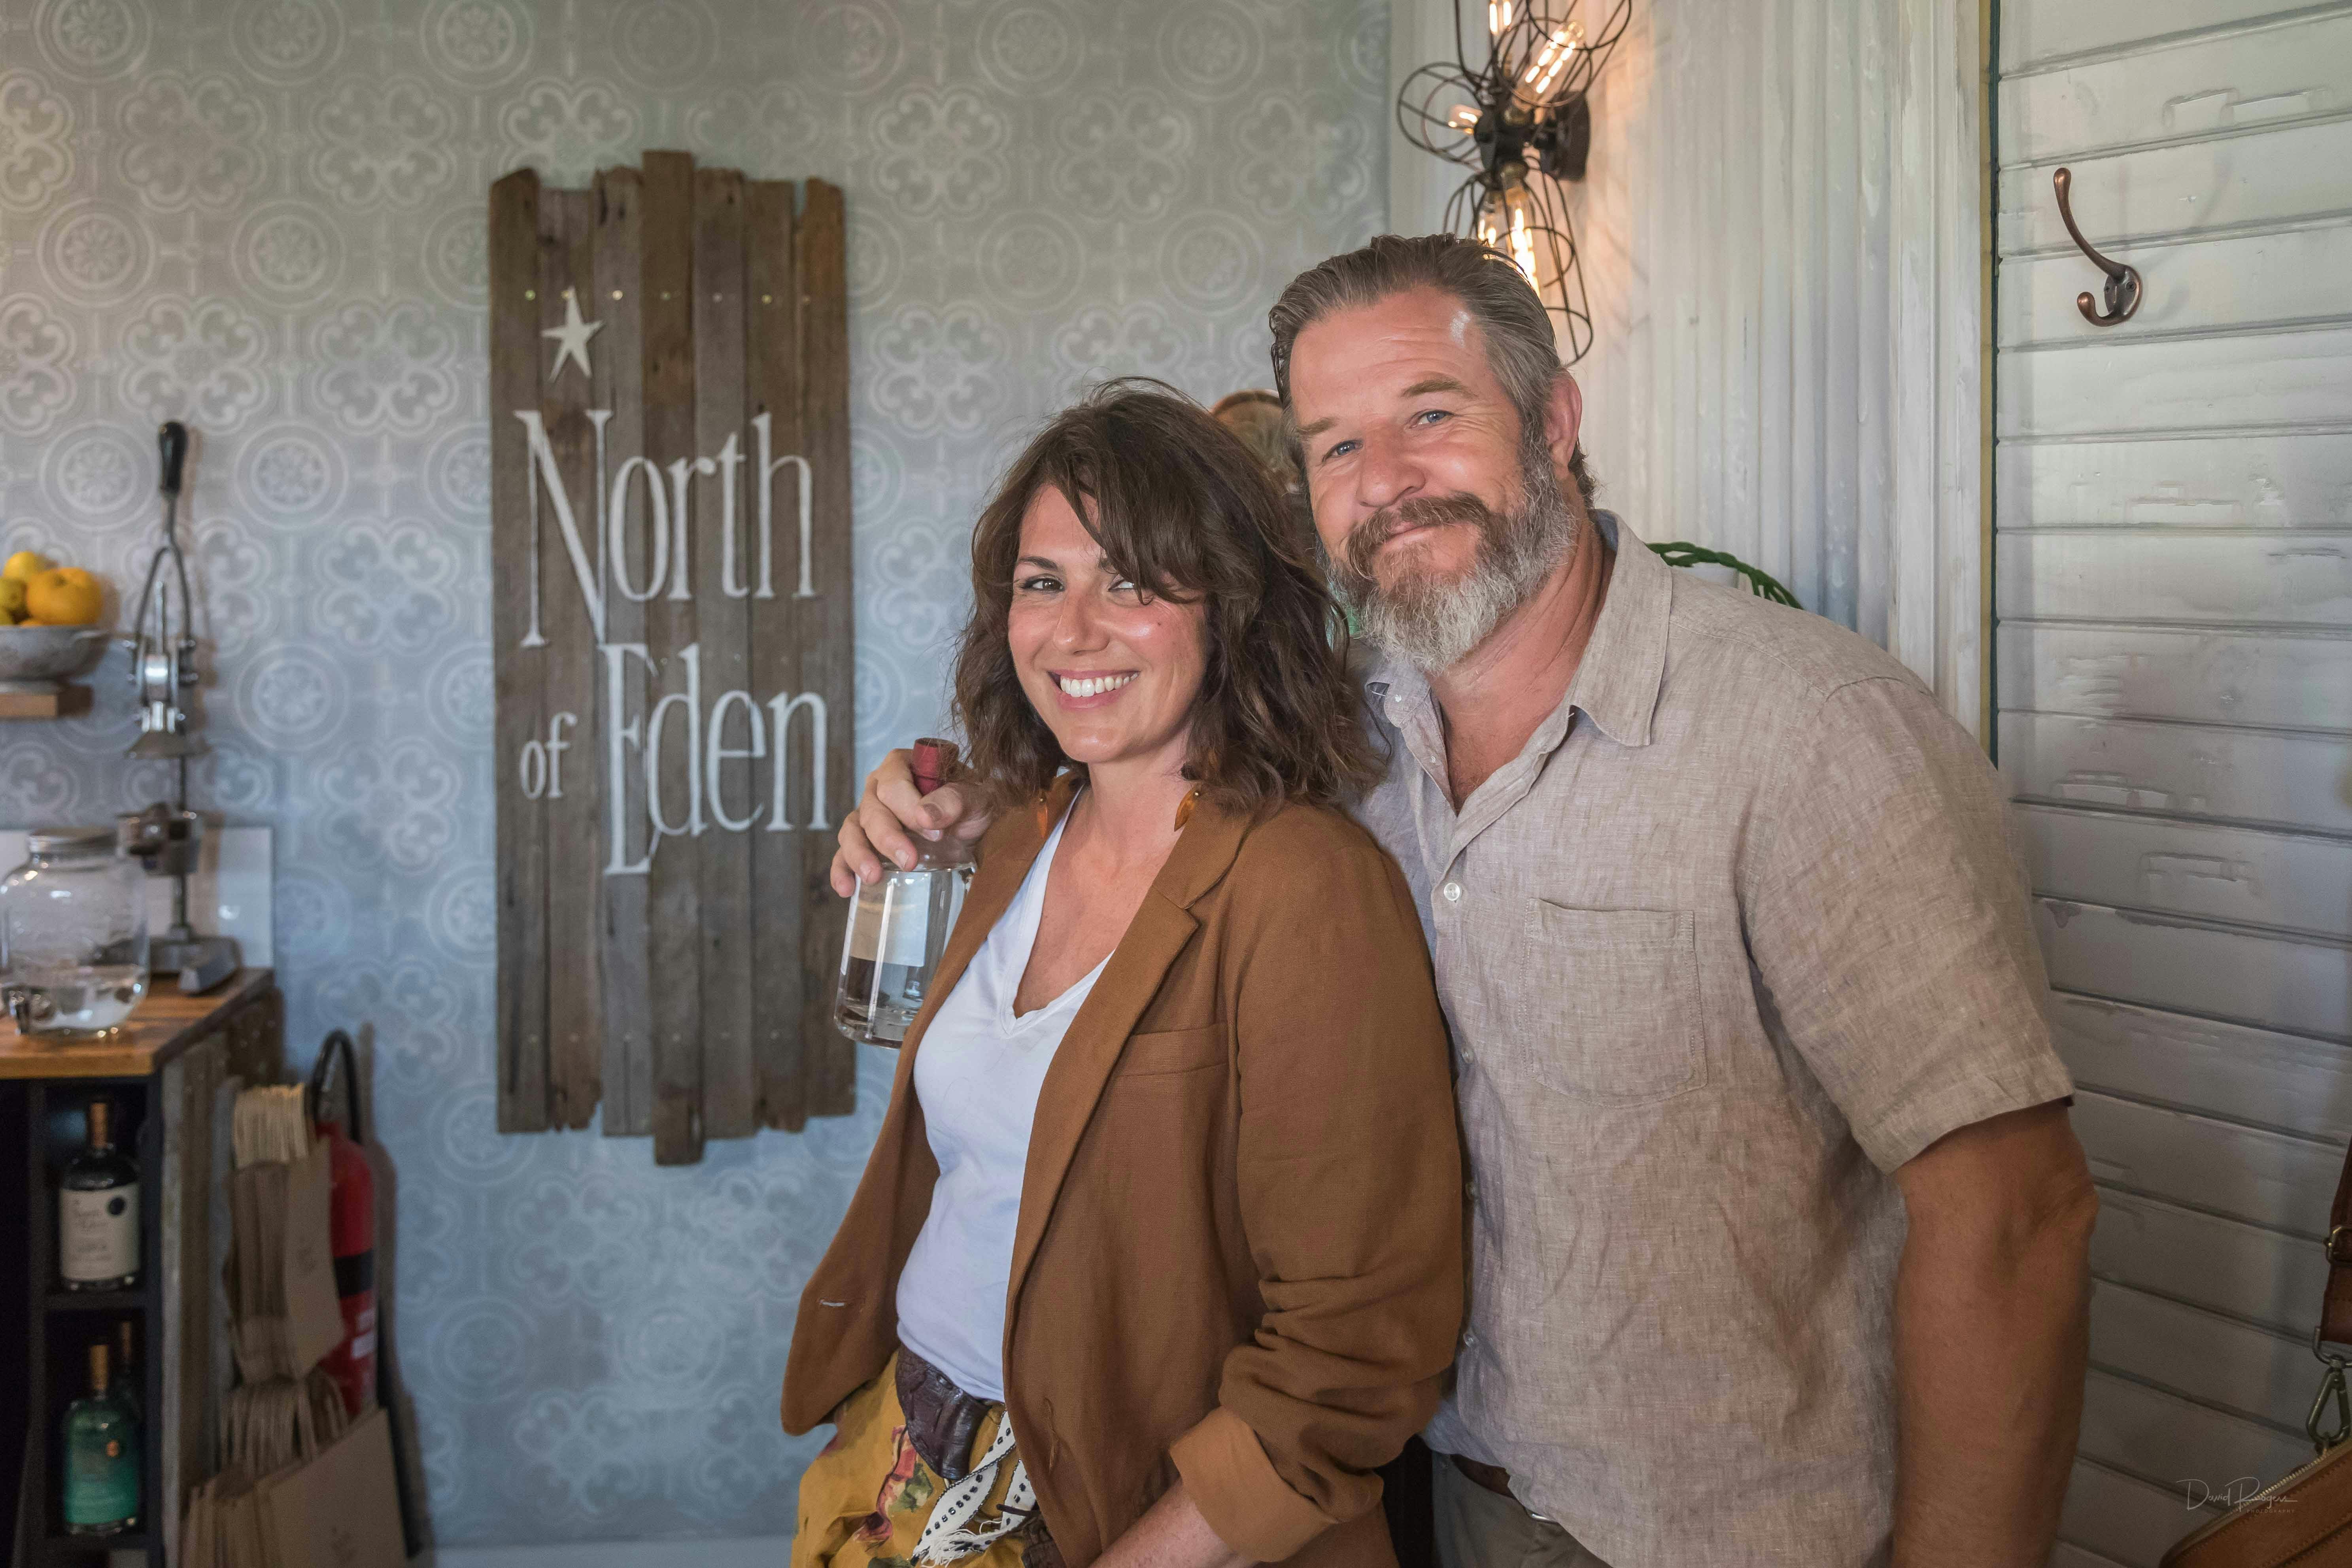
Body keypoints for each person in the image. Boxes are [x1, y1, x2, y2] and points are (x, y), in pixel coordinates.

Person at [834, 238, 2097, 1568]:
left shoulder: (1805, 735)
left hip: (1715, 1528)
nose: (1383, 483)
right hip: (1414, 1495)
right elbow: (1138, 796)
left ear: (1553, 419)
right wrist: (981, 813)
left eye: (1429, 417)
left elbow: (2015, 1215)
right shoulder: (1341, 738)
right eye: (1334, 448)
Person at [784, 382, 1463, 1568]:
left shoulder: (1306, 885)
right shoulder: (1014, 835)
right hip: (907, 1450)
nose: (1074, 630)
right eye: (1043, 584)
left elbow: (1355, 1349)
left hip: (1130, 1511)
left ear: (1234, 607)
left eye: (1133, 583)